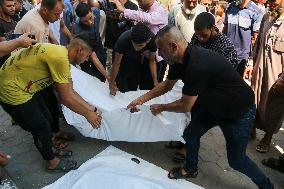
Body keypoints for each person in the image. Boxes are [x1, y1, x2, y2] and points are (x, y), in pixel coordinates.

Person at [127, 25, 274, 189]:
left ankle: (266, 185)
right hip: (213, 106)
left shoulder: (197, 65)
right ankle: (191, 169)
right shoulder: (177, 59)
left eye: (161, 49)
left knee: (236, 160)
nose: (159, 54)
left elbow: (185, 105)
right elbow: (166, 85)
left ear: (173, 46)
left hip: (237, 111)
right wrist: (140, 99)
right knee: (190, 135)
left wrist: (160, 107)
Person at [0, 32, 102, 172]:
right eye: (88, 56)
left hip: (23, 85)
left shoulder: (61, 54)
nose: (87, 59)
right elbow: (66, 98)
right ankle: (51, 162)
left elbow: (70, 90)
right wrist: (88, 114)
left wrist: (93, 109)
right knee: (41, 128)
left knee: (47, 118)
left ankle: (50, 147)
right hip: (11, 90)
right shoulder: (59, 58)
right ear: (80, 50)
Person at [171, 12, 239, 163]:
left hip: (212, 92)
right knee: (186, 114)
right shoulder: (196, 37)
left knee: (194, 120)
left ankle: (186, 148)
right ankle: (181, 139)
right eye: (198, 35)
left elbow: (227, 76)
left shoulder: (226, 47)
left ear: (213, 28)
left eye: (204, 35)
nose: (201, 39)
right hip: (196, 85)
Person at [251, 0, 284, 152]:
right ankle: (251, 130)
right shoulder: (266, 17)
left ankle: (268, 137)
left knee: (274, 106)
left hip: (277, 76)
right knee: (254, 100)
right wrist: (253, 63)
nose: (269, 3)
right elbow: (258, 43)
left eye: (273, 0)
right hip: (259, 70)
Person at [110, 0, 168, 82]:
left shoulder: (160, 10)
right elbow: (138, 20)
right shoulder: (142, 9)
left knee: (153, 87)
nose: (138, 2)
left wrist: (124, 11)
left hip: (157, 58)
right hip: (143, 56)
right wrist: (123, 16)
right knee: (142, 86)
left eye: (140, 0)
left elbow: (148, 18)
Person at [109, 23, 158, 94]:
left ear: (148, 41)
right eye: (134, 44)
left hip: (136, 59)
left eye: (140, 45)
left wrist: (155, 81)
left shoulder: (153, 40)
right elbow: (116, 64)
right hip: (121, 59)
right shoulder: (123, 40)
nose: (136, 48)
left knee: (133, 87)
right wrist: (111, 82)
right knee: (121, 88)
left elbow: (152, 61)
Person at [223, 0, 263, 77]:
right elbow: (225, 29)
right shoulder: (230, 7)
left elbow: (256, 38)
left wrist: (251, 60)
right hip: (226, 54)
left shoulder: (256, 11)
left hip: (241, 59)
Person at [74, 2, 108, 82]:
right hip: (86, 53)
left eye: (91, 18)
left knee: (102, 78)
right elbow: (93, 56)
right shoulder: (79, 29)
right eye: (85, 21)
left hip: (98, 46)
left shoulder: (96, 11)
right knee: (91, 79)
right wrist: (109, 77)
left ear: (92, 12)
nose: (90, 22)